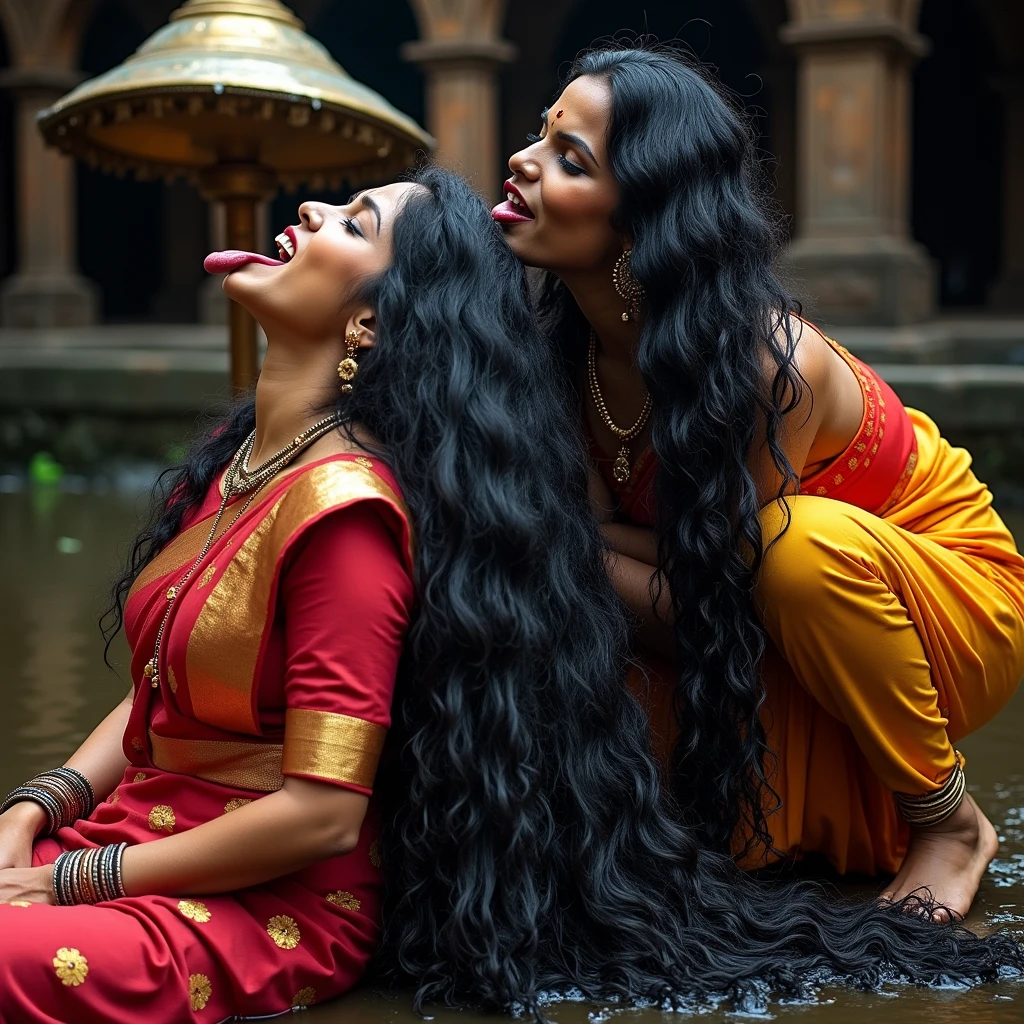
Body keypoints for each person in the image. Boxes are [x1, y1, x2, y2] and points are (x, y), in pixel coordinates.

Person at [0, 169, 1018, 1024]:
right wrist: (36, 808)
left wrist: (70, 876)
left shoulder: (344, 513)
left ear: (370, 320)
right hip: (139, 833)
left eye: (355, 222)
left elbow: (318, 815)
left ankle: (944, 817)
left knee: (789, 554)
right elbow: (159, 686)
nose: (307, 211)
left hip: (253, 896)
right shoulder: (235, 471)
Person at [494, 44, 1024, 922]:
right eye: (540, 135)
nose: (522, 160)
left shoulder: (763, 366)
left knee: (788, 547)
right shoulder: (564, 353)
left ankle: (948, 822)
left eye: (569, 158)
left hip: (940, 610)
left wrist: (554, 538)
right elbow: (630, 581)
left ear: (644, 218)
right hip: (743, 614)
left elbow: (712, 595)